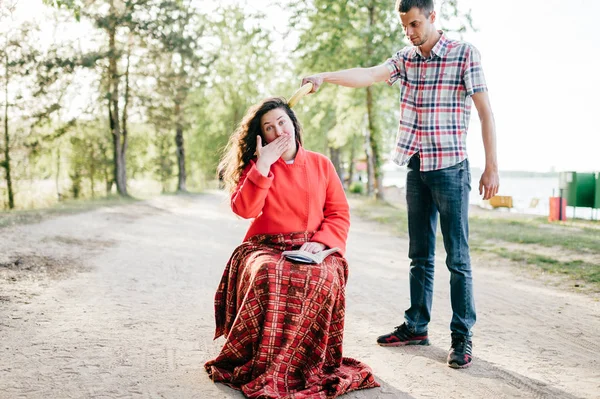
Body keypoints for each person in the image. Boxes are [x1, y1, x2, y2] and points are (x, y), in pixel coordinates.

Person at [301, 0, 499, 369]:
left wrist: (492, 167)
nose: (410, 32)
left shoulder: (464, 54)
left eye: (415, 24)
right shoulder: (406, 59)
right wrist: (324, 77)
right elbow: (369, 74)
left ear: (433, 17)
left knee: (457, 258)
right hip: (416, 166)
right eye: (406, 26)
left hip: (452, 169)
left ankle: (461, 336)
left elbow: (486, 113)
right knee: (419, 255)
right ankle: (416, 326)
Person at [205, 97, 379, 398]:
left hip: (314, 245)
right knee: (269, 271)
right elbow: (245, 210)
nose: (277, 131)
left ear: (293, 124)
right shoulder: (257, 167)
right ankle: (264, 359)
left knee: (326, 275)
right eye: (269, 128)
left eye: (281, 122)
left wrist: (322, 243)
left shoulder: (321, 164)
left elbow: (339, 213)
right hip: (266, 245)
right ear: (263, 137)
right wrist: (262, 166)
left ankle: (307, 361)